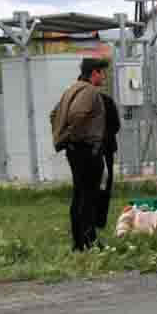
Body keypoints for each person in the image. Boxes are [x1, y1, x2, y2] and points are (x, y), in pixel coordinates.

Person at [51, 57, 110, 251]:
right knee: (88, 197)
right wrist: (73, 136)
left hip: (76, 150)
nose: (104, 76)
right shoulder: (89, 92)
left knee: (80, 196)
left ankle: (79, 243)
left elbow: (54, 115)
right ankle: (88, 241)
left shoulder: (72, 88)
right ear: (94, 74)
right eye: (103, 72)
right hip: (86, 151)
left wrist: (64, 138)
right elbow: (77, 114)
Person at [96, 92, 121, 230]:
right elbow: (116, 125)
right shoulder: (105, 100)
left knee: (95, 187)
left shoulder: (105, 100)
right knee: (104, 186)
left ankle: (95, 222)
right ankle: (99, 222)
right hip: (105, 150)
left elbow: (115, 125)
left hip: (97, 150)